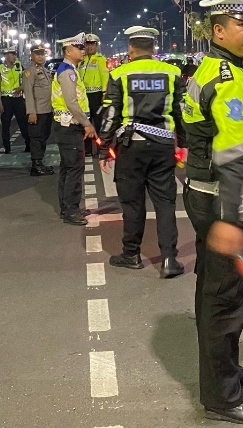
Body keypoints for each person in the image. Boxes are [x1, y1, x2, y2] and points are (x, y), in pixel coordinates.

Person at [181, 0, 243, 424]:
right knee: (227, 298)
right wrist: (231, 219)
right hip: (224, 198)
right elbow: (232, 154)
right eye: (241, 24)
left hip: (207, 193)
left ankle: (226, 371)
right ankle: (223, 397)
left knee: (213, 290)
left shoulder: (216, 69)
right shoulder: (229, 80)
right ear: (218, 31)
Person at [99, 26, 187, 278]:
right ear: (153, 48)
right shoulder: (172, 73)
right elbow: (182, 112)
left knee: (132, 203)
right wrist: (184, 143)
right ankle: (169, 259)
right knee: (165, 203)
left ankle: (131, 254)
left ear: (131, 48)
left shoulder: (119, 73)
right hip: (162, 147)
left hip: (131, 147)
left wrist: (104, 148)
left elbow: (111, 114)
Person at [52, 33, 97, 226]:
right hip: (70, 126)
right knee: (74, 169)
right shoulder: (67, 72)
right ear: (68, 51)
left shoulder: (70, 70)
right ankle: (71, 210)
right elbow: (71, 102)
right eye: (79, 48)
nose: (83, 50)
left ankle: (67, 207)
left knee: (68, 168)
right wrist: (86, 123)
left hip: (67, 126)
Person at [23, 44, 55, 176]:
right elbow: (28, 93)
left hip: (46, 110)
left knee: (43, 137)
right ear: (31, 55)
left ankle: (40, 162)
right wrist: (31, 112)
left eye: (42, 54)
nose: (41, 57)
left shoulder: (44, 70)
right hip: (37, 111)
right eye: (38, 54)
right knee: (36, 138)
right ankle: (36, 166)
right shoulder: (29, 72)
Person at [79, 33, 110, 152]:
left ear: (96, 45)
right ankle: (87, 150)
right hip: (83, 96)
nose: (89, 47)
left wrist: (104, 93)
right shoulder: (81, 60)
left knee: (98, 124)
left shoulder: (101, 59)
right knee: (85, 122)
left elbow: (105, 76)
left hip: (96, 96)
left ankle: (100, 149)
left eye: (92, 44)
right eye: (87, 44)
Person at [0, 48, 29, 154]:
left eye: (15, 54)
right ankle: (7, 147)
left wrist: (21, 88)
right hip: (6, 100)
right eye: (12, 54)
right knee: (6, 125)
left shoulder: (19, 66)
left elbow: (26, 80)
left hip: (18, 99)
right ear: (6, 55)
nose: (15, 57)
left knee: (23, 123)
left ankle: (28, 144)